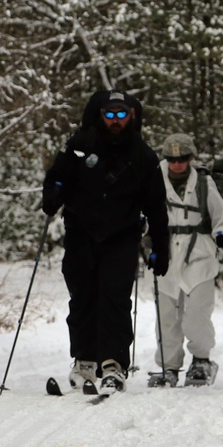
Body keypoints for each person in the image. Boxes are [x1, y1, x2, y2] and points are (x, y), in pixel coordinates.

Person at [42, 90, 170, 394]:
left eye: (121, 114)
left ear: (132, 116)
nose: (115, 120)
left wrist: (160, 247)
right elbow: (56, 177)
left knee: (114, 299)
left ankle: (114, 365)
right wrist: (52, 195)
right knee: (83, 298)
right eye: (110, 114)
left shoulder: (143, 155)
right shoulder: (79, 146)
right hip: (80, 233)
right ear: (100, 115)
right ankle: (84, 362)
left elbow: (156, 206)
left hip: (121, 237)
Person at [148, 133, 223, 387]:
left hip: (200, 255)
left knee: (197, 314)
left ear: (191, 158)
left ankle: (201, 360)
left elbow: (222, 218)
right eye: (172, 159)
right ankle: (168, 366)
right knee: (166, 315)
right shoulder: (153, 180)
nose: (177, 164)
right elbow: (142, 214)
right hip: (165, 255)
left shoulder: (204, 184)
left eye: (183, 158)